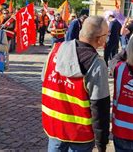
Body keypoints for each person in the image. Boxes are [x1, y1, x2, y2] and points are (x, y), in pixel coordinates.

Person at [42, 16, 110, 151]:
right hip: (80, 134)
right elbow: (100, 107)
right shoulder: (96, 63)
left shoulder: (55, 50)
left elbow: (44, 81)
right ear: (100, 39)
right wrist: (102, 142)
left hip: (54, 127)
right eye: (106, 35)